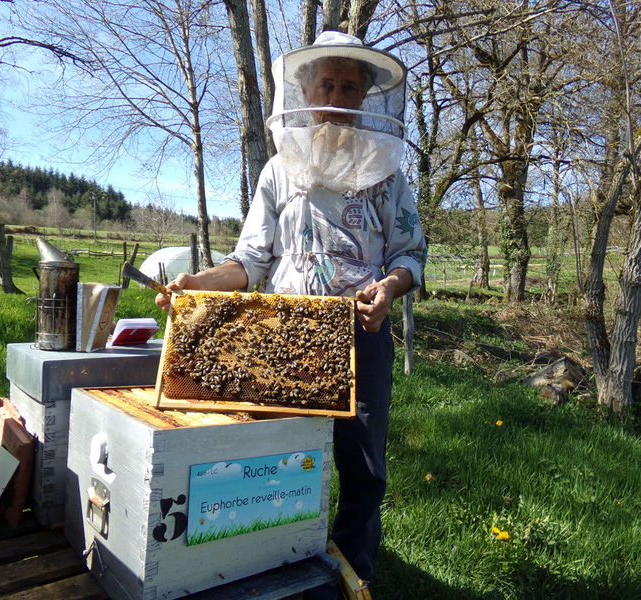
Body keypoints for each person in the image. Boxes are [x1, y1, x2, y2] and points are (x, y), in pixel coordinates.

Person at [155, 31, 427, 598]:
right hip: (280, 339)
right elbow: (251, 259)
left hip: (361, 334)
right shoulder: (279, 169)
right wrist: (197, 284)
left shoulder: (387, 174)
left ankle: (354, 578)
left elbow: (409, 254)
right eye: (325, 82)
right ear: (303, 90)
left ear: (365, 97)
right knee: (271, 463)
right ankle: (272, 569)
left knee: (364, 474)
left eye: (348, 86)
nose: (335, 94)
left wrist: (390, 288)